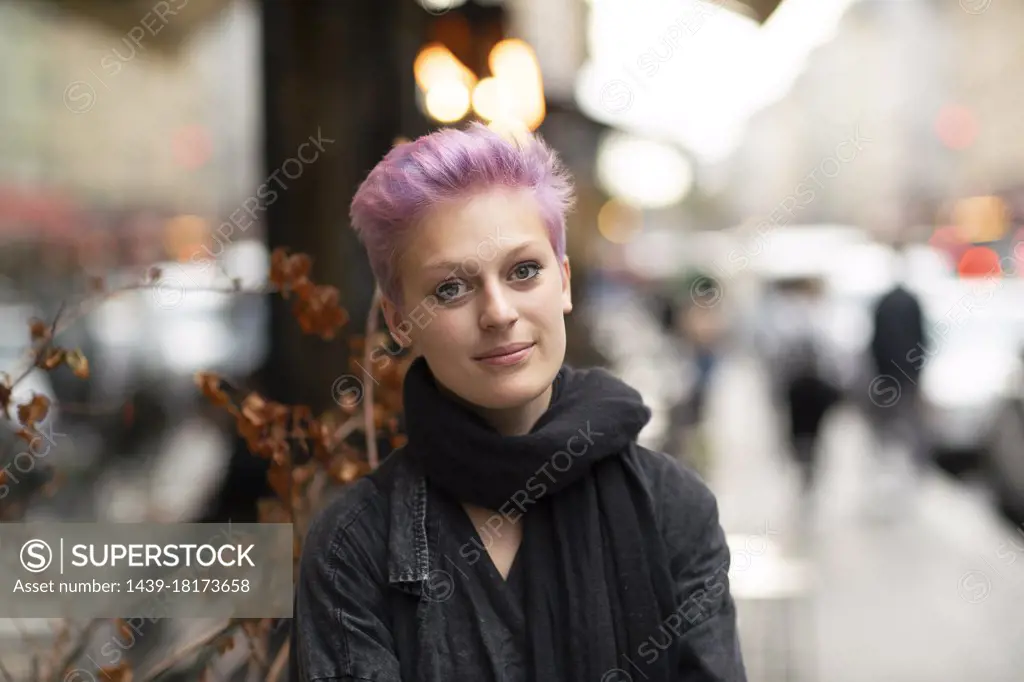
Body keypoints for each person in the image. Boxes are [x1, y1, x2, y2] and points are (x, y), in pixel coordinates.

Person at [290, 123, 747, 682]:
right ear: (399, 321)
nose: (499, 312)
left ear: (565, 282)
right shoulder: (356, 546)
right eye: (451, 288)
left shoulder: (673, 508)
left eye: (524, 272)